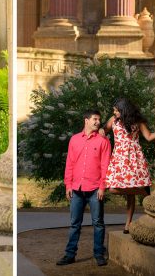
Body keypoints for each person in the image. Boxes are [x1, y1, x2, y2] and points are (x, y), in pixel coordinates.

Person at [57, 110, 111, 267]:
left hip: (95, 189)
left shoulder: (103, 141)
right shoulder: (74, 140)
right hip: (76, 189)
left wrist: (102, 187)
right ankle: (70, 255)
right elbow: (70, 163)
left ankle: (99, 254)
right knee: (74, 224)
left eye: (99, 120)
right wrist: (68, 184)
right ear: (86, 120)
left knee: (98, 223)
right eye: (94, 119)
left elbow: (105, 166)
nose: (97, 122)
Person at [102, 97, 155, 234]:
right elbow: (104, 131)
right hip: (119, 157)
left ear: (123, 109)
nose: (114, 112)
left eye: (116, 110)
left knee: (130, 194)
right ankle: (144, 192)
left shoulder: (138, 121)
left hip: (134, 157)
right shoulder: (113, 120)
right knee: (113, 188)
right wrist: (99, 133)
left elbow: (149, 137)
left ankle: (128, 224)